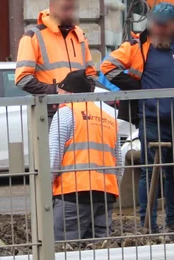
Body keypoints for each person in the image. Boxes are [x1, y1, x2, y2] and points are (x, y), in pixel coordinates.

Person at [101, 2, 174, 231]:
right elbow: (108, 66)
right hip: (152, 118)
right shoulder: (137, 45)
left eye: (162, 26)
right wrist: (138, 87)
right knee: (150, 172)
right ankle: (149, 224)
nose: (157, 30)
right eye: (154, 24)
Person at [49, 70, 123, 241]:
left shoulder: (66, 113)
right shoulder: (108, 118)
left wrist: (47, 188)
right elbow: (118, 162)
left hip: (73, 194)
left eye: (59, 92)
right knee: (99, 251)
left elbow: (53, 157)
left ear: (69, 93)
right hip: (105, 195)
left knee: (66, 250)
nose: (57, 97)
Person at [15, 0, 96, 97]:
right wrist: (56, 91)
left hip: (79, 109)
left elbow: (90, 74)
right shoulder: (33, 37)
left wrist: (86, 92)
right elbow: (22, 79)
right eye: (65, 8)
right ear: (52, 7)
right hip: (49, 110)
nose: (70, 13)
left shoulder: (80, 36)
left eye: (73, 8)